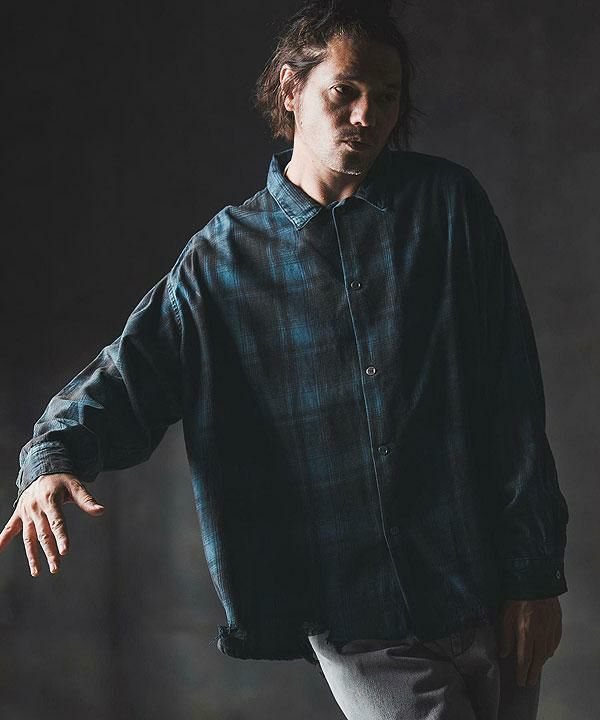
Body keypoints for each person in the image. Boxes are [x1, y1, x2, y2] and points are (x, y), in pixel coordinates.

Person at [0, 1, 569, 718]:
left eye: (388, 96)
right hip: (357, 617)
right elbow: (129, 375)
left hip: (484, 584)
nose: (368, 114)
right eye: (346, 90)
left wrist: (534, 575)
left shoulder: (449, 208)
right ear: (291, 88)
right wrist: (51, 459)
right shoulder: (222, 261)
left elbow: (511, 399)